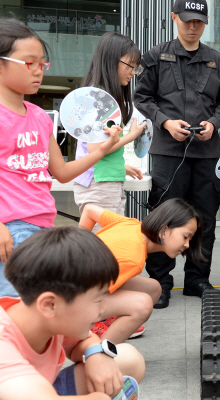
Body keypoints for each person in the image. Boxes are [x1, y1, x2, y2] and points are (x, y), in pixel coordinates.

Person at [0, 18, 121, 298]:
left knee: (37, 311)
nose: (39, 70)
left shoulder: (40, 117)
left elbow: (63, 172)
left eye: (43, 63)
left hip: (43, 228)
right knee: (13, 315)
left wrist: (101, 149)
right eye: (30, 62)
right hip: (9, 231)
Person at [134, 0, 220, 307]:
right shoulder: (155, 56)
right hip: (167, 151)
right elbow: (142, 97)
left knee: (205, 218)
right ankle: (160, 282)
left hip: (206, 153)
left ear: (205, 23)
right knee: (164, 217)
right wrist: (165, 122)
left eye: (199, 22)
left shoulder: (216, 61)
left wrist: (213, 123)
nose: (193, 27)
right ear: (174, 17)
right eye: (188, 21)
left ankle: (197, 280)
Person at [0, 227, 145, 399]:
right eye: (98, 300)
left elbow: (83, 342)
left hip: (42, 388)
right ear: (50, 305)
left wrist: (95, 355)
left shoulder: (47, 317)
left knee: (128, 360)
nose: (104, 309)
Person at [78, 199, 204, 341]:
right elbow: (91, 297)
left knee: (154, 288)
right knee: (142, 305)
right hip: (70, 296)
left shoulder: (132, 225)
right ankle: (98, 354)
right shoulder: (133, 258)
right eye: (185, 237)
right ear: (164, 230)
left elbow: (89, 210)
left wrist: (79, 243)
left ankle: (116, 326)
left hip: (78, 278)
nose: (187, 245)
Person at [73, 32, 147, 232]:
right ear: (111, 60)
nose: (133, 72)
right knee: (102, 251)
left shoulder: (99, 96)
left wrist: (121, 167)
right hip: (99, 184)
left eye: (135, 67)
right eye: (130, 65)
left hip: (103, 180)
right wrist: (131, 136)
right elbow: (96, 148)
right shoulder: (100, 99)